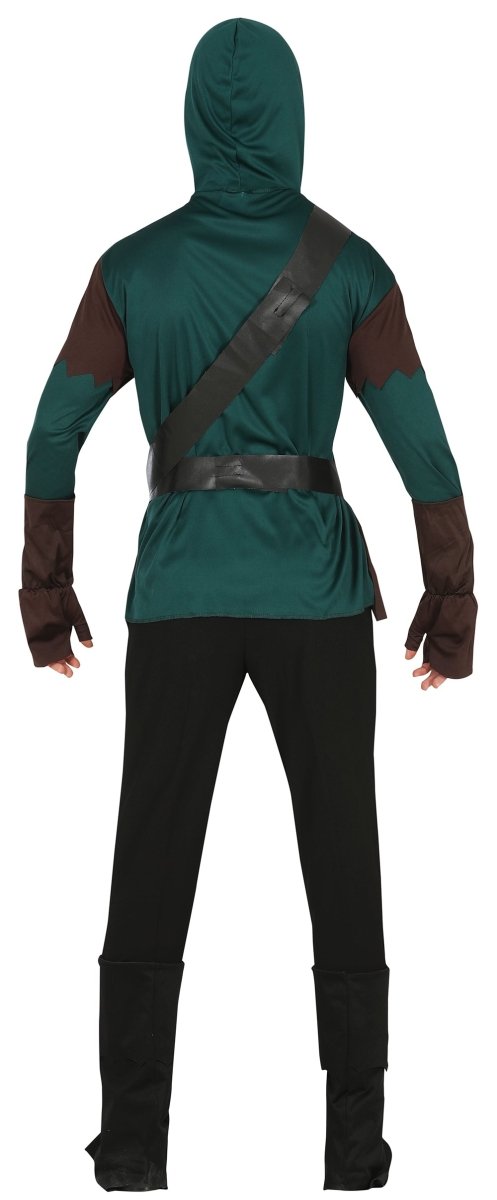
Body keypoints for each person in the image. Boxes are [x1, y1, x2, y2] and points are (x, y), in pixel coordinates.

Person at [18, 15, 477, 1193]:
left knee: (150, 859)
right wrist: (449, 604)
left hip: (179, 592)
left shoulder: (130, 269)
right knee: (343, 859)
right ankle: (355, 1147)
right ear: (291, 114)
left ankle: (130, 1146)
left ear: (189, 117)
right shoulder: (350, 266)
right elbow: (423, 449)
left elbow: (52, 435)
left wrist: (46, 597)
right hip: (314, 597)